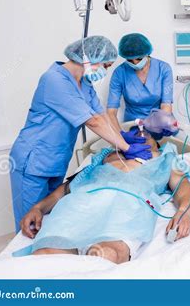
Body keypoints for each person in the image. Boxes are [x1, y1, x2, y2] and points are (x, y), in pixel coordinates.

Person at [9, 36, 152, 232]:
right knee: (31, 223)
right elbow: (92, 121)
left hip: (56, 161)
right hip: (32, 161)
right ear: (90, 58)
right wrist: (126, 148)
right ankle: (24, 262)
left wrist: (121, 137)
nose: (105, 71)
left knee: (49, 220)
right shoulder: (54, 80)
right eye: (106, 66)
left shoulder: (85, 84)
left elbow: (101, 116)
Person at [18, 135, 190, 264]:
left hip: (126, 206)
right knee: (44, 258)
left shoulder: (164, 158)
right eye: (134, 133)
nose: (140, 135)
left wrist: (184, 211)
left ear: (157, 144)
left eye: (146, 135)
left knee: (105, 255)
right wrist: (38, 208)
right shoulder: (104, 157)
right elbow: (66, 188)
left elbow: (182, 185)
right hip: (80, 205)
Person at [107, 33, 174, 141]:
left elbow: (166, 104)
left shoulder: (163, 69)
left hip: (159, 120)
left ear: (147, 53)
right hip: (133, 124)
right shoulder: (119, 73)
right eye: (130, 60)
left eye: (139, 58)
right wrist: (120, 136)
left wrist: (164, 121)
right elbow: (111, 111)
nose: (135, 63)